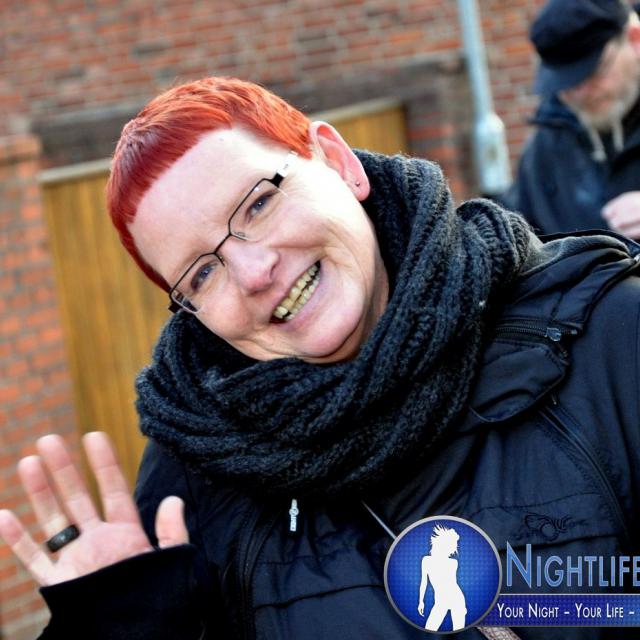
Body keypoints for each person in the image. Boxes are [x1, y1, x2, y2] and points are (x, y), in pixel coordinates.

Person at [1, 76, 640, 640]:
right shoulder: (195, 472)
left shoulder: (608, 337)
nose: (253, 272)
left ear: (338, 163)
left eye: (258, 203)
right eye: (202, 274)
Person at [503, 0, 640, 238]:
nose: (580, 93)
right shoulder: (546, 146)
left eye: (595, 71)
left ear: (635, 39)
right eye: (566, 81)